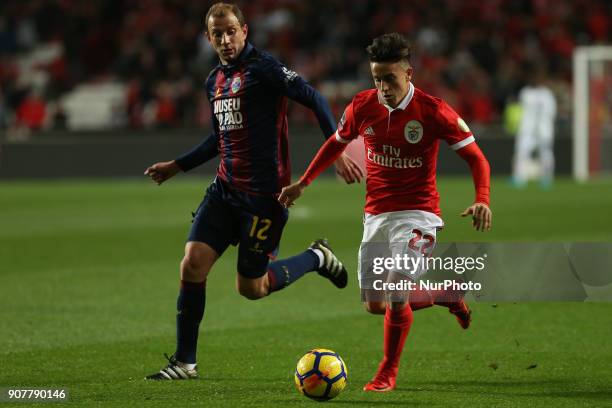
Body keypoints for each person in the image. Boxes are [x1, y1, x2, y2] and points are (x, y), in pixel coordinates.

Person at [144, 2, 363, 381]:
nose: (226, 39)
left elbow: (315, 98)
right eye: (218, 34)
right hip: (225, 190)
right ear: (209, 38)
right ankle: (185, 362)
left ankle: (315, 257)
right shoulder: (213, 80)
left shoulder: (264, 69)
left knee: (252, 288)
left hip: (265, 199)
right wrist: (176, 166)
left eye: (231, 31)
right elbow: (219, 137)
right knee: (192, 263)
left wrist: (337, 147)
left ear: (245, 31)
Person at [279, 33, 492, 392]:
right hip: (377, 216)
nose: (383, 87)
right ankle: (447, 294)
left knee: (395, 292)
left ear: (408, 73)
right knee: (376, 304)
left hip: (418, 216)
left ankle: (386, 373)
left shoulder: (434, 110)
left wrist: (482, 197)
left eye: (390, 78)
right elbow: (336, 143)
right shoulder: (362, 106)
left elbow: (475, 157)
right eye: (377, 78)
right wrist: (303, 183)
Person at [512, 68, 557, 188]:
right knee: (522, 151)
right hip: (527, 129)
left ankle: (546, 178)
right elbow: (520, 111)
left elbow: (551, 112)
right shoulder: (525, 92)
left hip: (544, 129)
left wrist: (545, 125)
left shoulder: (547, 94)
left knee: (546, 153)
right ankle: (519, 178)